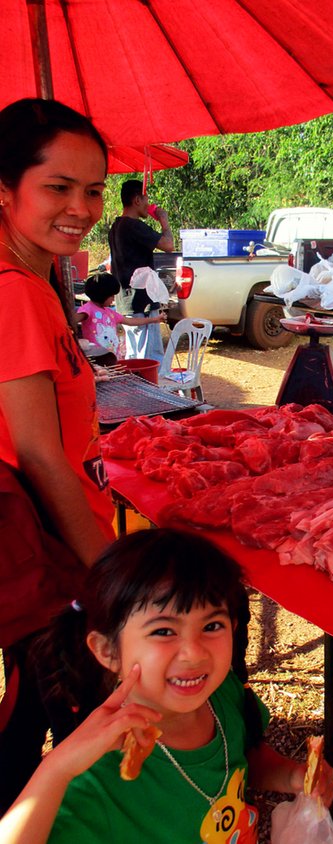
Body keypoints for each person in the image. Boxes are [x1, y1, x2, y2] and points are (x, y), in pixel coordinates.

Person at [0, 528, 333, 843]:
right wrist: (56, 769)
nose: (193, 653)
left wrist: (291, 777)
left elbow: (244, 756)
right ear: (107, 650)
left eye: (212, 625)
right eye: (163, 631)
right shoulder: (102, 774)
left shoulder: (222, 696)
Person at [0, 97, 116, 814]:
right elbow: (41, 457)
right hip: (50, 559)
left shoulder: (35, 282)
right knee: (63, 729)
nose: (82, 207)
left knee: (33, 723)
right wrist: (116, 580)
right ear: (5, 191)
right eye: (59, 187)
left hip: (50, 557)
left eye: (95, 188)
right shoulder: (13, 294)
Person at [108, 179, 174, 362]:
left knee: (134, 357)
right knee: (148, 360)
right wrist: (164, 221)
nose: (149, 205)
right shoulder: (133, 225)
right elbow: (168, 244)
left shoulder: (116, 226)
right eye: (146, 199)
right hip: (141, 303)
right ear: (137, 200)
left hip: (127, 301)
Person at [77, 271, 167, 364]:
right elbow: (73, 319)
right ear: (102, 294)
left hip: (112, 359)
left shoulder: (109, 312)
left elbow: (130, 321)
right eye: (111, 296)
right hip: (96, 360)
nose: (113, 299)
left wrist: (154, 320)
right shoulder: (88, 309)